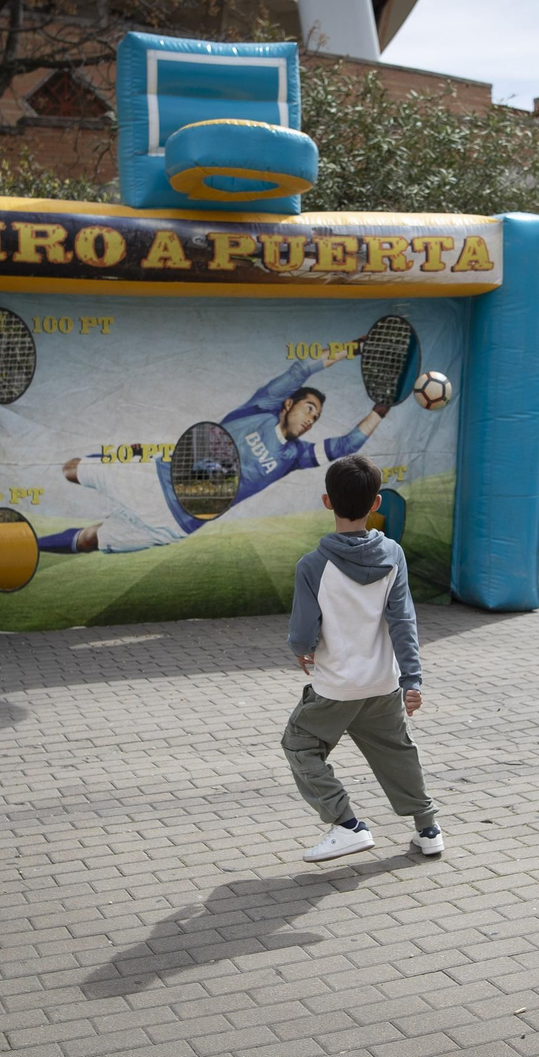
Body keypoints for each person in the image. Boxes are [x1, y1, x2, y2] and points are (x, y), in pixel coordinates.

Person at [38, 350, 393, 555]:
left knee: (89, 540)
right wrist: (352, 348)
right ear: (288, 404)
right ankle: (119, 464)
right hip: (156, 482)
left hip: (177, 523)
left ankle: (30, 546)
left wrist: (380, 410)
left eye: (317, 416)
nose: (311, 419)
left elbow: (346, 446)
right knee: (73, 469)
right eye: (308, 408)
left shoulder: (294, 456)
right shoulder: (258, 409)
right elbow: (299, 370)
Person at [282, 455, 442, 863]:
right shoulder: (393, 556)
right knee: (397, 753)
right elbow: (403, 621)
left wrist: (302, 650)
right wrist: (413, 680)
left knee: (300, 745)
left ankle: (348, 825)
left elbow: (303, 633)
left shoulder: (312, 565)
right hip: (383, 684)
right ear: (376, 503)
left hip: (334, 687)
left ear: (326, 501)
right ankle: (428, 831)